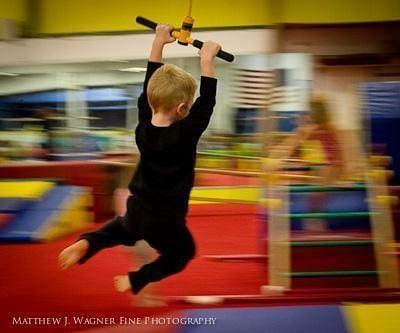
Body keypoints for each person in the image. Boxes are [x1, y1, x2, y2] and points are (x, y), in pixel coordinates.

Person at [58, 23, 221, 295]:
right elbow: (208, 104)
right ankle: (136, 280)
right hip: (166, 220)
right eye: (188, 107)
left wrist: (159, 42)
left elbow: (150, 87)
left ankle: (88, 242)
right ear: (182, 109)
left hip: (137, 209)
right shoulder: (185, 134)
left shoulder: (143, 127)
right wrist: (207, 60)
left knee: (121, 229)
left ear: (150, 100)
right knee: (182, 253)